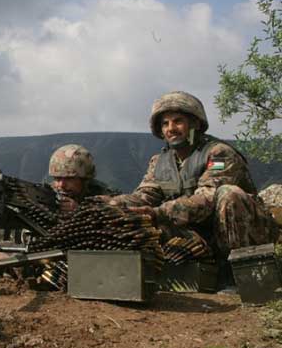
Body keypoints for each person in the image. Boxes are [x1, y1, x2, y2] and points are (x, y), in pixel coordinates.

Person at [104, 90, 279, 261]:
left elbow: (208, 199)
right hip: (199, 233)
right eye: (165, 124)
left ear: (195, 123)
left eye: (178, 121)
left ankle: (240, 271)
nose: (171, 129)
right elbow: (145, 195)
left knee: (228, 194)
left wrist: (158, 213)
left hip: (246, 231)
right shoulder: (159, 162)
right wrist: (112, 204)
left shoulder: (219, 153)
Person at [48, 144, 118, 212]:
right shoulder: (48, 192)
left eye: (69, 179)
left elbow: (120, 209)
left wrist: (81, 210)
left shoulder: (104, 193)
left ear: (85, 180)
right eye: (57, 178)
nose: (61, 185)